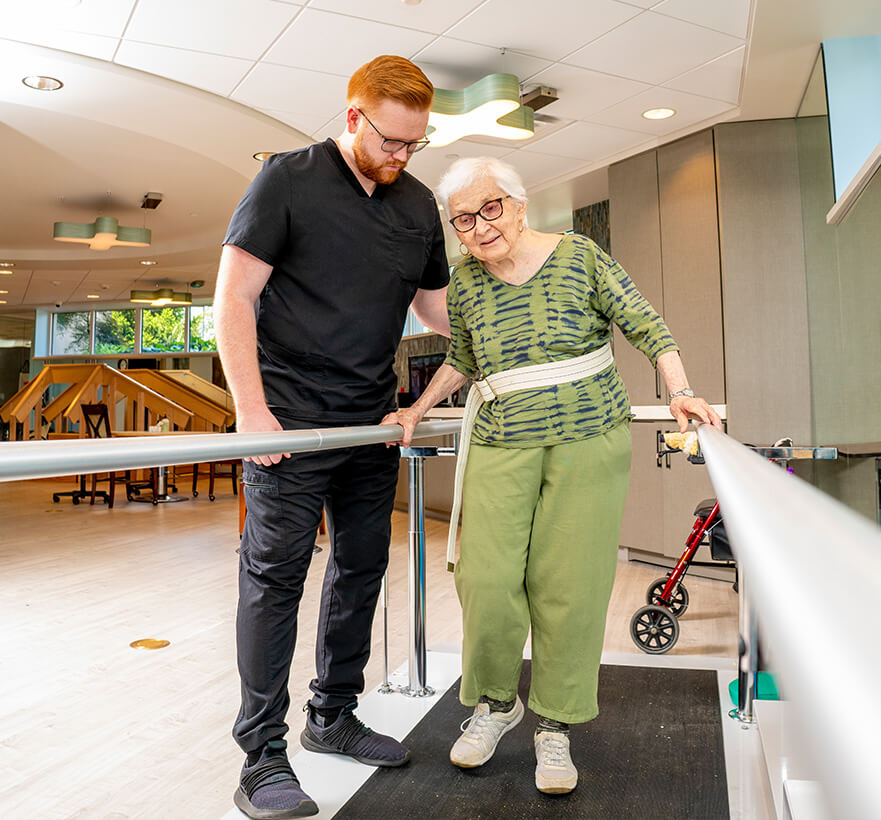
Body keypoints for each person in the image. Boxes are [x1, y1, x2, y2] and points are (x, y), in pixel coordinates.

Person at [383, 156, 721, 797]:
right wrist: (418, 409)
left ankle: (556, 724)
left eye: (489, 209)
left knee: (568, 583)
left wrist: (681, 390)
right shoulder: (465, 284)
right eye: (464, 220)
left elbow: (646, 324)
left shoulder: (579, 255)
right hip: (501, 438)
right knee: (485, 575)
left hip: (588, 437)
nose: (480, 228)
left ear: (517, 203)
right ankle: (494, 703)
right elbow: (461, 360)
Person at [214, 55, 450, 820]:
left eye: (416, 144)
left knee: (360, 572)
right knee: (275, 580)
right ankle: (261, 757)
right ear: (353, 118)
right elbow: (235, 298)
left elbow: (438, 313)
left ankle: (332, 716)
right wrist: (252, 413)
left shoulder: (417, 204)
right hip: (286, 421)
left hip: (368, 421)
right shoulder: (288, 179)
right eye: (390, 141)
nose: (402, 157)